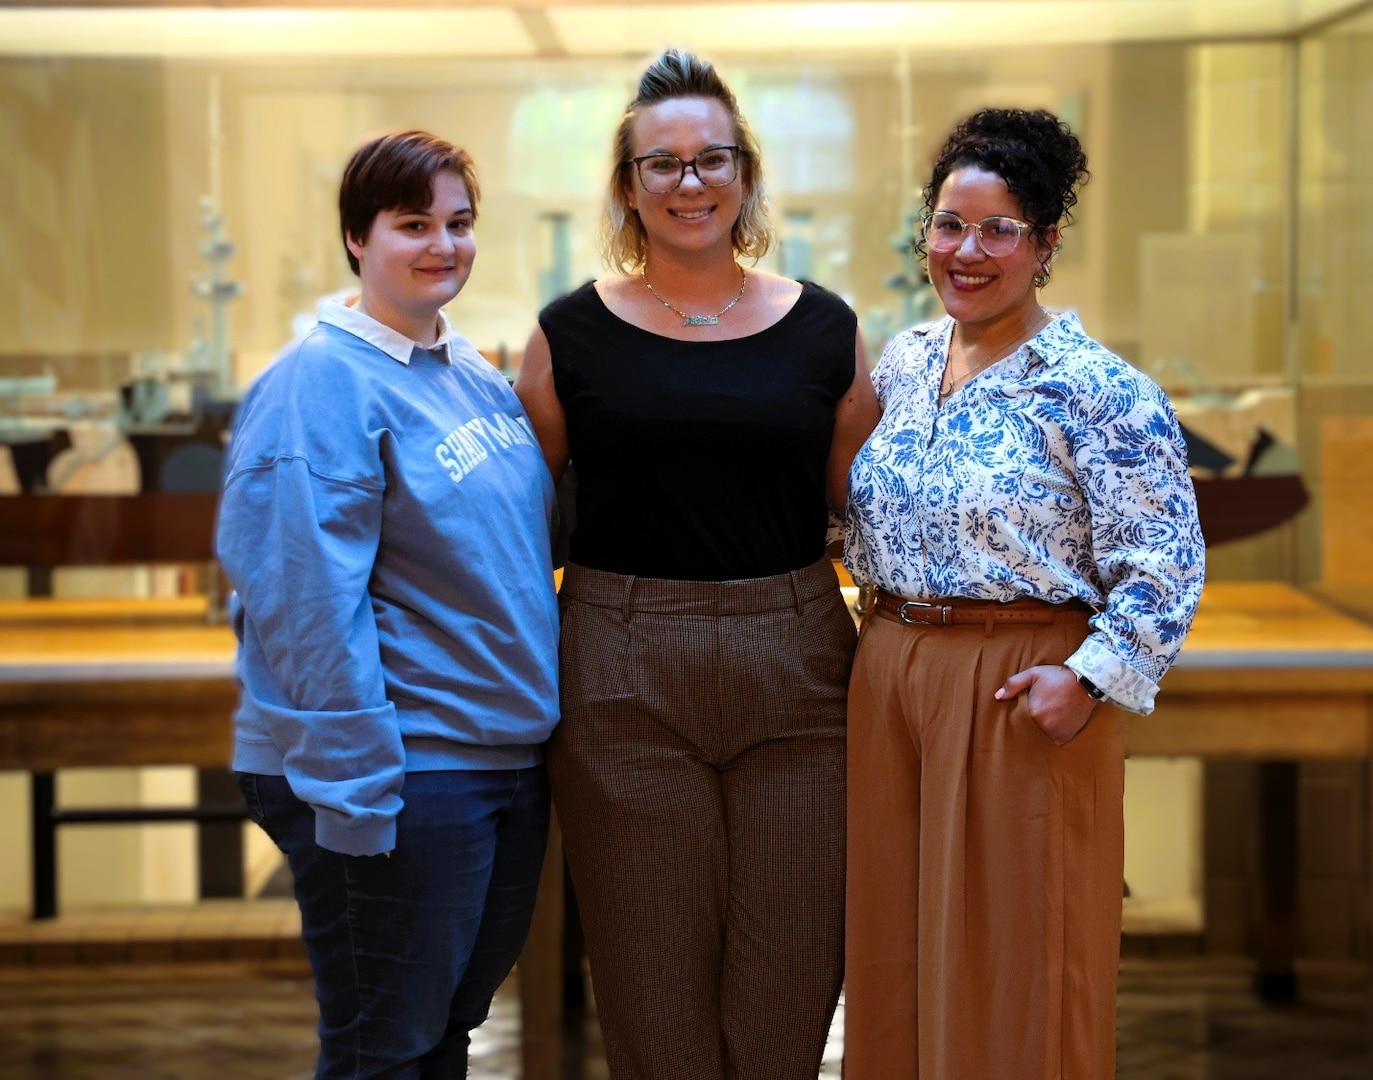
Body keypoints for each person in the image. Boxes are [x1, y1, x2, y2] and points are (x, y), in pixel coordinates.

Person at [514, 48, 880, 1080]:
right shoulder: (566, 335)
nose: (690, 182)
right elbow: (518, 523)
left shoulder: (826, 329)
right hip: (620, 672)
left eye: (711, 159)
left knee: (788, 995)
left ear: (744, 174)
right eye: (662, 163)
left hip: (799, 673)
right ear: (628, 187)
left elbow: (870, 515)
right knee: (654, 1003)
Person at [843, 107, 1205, 1079]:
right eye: (948, 225)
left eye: (998, 229)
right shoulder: (904, 363)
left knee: (1018, 961)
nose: (966, 251)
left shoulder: (1097, 389)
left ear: (1043, 246)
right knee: (892, 949)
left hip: (1016, 682)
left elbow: (1164, 560)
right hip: (888, 670)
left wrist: (1085, 680)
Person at [217, 129, 559, 1078]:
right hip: (403, 768)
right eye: (413, 223)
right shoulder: (320, 383)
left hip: (495, 758)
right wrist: (357, 794)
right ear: (356, 238)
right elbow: (302, 602)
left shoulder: (466, 372)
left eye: (459, 222)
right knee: (383, 1050)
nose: (442, 244)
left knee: (441, 1037)